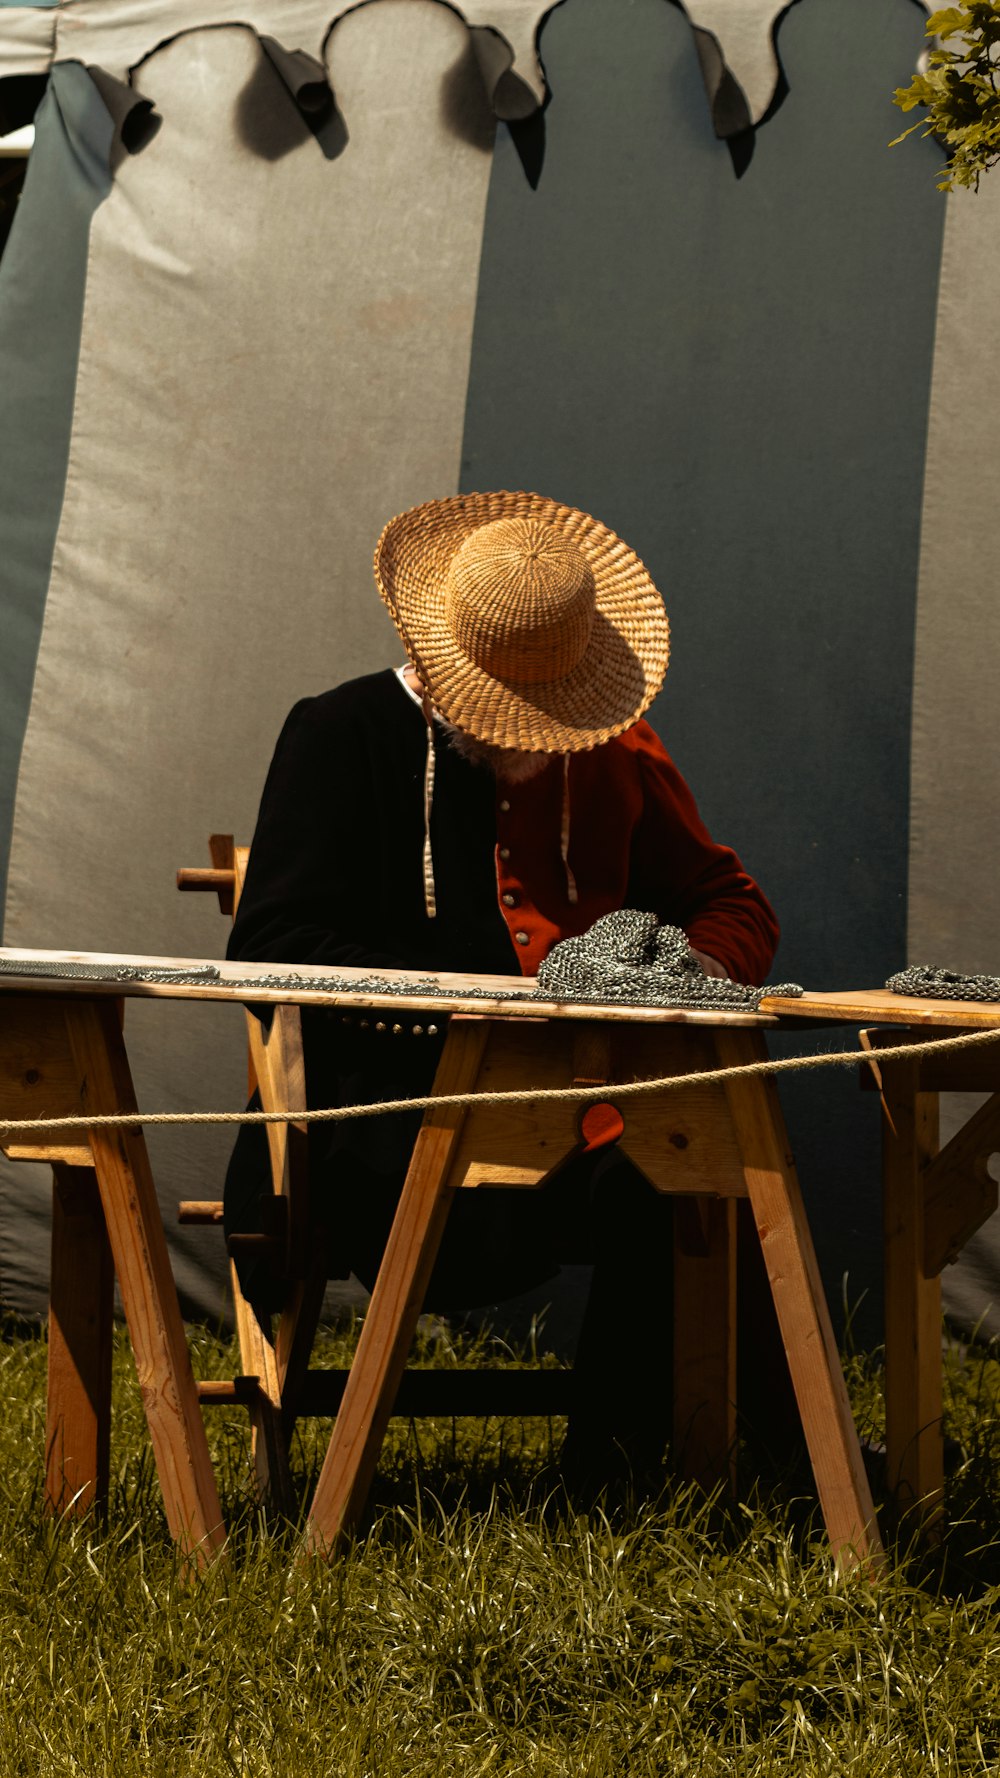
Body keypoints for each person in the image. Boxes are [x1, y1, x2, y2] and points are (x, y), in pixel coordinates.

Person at [225, 490, 779, 1485]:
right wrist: (477, 1010)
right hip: (386, 1120)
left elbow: (728, 900)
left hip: (581, 1118)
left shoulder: (611, 748)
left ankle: (619, 1475)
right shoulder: (342, 734)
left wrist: (676, 972)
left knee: (694, 1160)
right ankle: (782, 1456)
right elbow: (273, 944)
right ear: (446, 664)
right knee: (655, 1158)